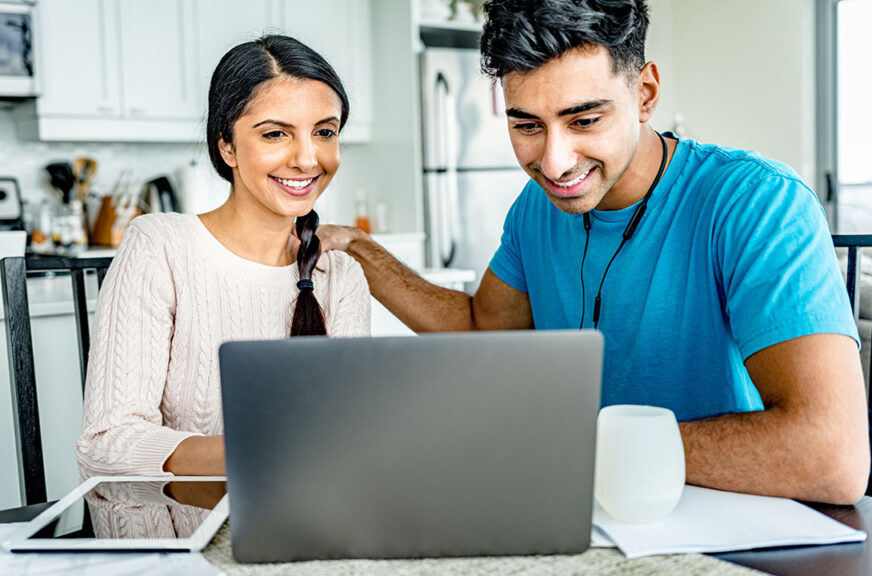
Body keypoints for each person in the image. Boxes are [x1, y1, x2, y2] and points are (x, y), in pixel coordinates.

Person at [320, 0, 869, 505]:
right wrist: (359, 249)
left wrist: (587, 444)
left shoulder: (757, 201)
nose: (555, 164)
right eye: (527, 126)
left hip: (737, 531)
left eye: (585, 120)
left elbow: (831, 456)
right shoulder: (536, 209)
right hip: (593, 513)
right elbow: (484, 329)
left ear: (646, 94)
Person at [77, 35, 371, 536]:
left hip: (307, 538)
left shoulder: (339, 276)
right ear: (227, 146)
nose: (307, 158)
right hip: (175, 550)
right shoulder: (160, 245)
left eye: (324, 131)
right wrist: (260, 449)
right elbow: (106, 442)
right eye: (276, 134)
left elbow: (347, 444)